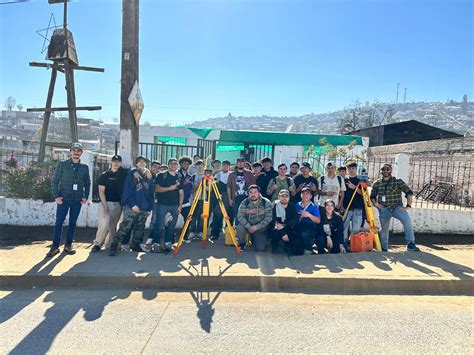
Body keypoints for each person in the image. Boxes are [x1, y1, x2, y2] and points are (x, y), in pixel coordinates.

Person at [46, 142, 91, 257]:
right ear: (70, 151)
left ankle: (68, 245)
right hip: (63, 199)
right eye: (74, 150)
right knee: (59, 222)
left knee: (72, 223)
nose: (76, 153)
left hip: (77, 200)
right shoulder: (62, 164)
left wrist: (85, 197)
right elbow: (55, 181)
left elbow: (87, 183)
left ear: (81, 153)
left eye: (78, 151)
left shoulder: (84, 167)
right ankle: (55, 246)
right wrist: (56, 196)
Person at [109, 155, 154, 256]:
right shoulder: (132, 174)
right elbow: (127, 192)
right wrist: (133, 205)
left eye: (144, 162)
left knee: (140, 229)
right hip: (132, 207)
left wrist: (149, 208)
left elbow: (151, 193)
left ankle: (135, 246)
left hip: (144, 208)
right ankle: (114, 245)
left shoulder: (149, 176)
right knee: (125, 227)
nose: (142, 163)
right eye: (140, 162)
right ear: (136, 163)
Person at [370, 163, 420, 252]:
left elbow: (408, 192)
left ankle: (411, 244)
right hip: (384, 209)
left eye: (387, 169)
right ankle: (384, 248)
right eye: (383, 169)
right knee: (384, 229)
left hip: (397, 207)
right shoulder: (376, 183)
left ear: (391, 170)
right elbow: (372, 196)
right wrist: (375, 204)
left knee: (406, 219)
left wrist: (408, 206)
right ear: (381, 171)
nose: (385, 171)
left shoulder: (398, 181)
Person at [91, 155, 128, 252]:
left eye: (118, 161)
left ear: (120, 162)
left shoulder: (124, 173)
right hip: (105, 202)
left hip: (118, 204)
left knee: (112, 225)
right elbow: (101, 191)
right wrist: (105, 205)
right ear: (111, 162)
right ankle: (97, 244)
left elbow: (134, 171)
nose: (116, 163)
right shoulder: (104, 175)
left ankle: (109, 245)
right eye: (114, 161)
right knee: (105, 222)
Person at [147, 158, 184, 252]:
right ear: (168, 165)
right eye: (171, 163)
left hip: (175, 205)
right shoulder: (161, 175)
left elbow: (181, 193)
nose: (173, 165)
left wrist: (180, 206)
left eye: (175, 163)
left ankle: (168, 243)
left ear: (177, 165)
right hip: (162, 204)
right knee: (159, 225)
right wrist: (170, 188)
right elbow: (157, 189)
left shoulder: (179, 176)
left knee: (172, 225)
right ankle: (156, 244)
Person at [236, 185, 273, 251]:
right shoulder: (244, 202)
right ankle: (241, 244)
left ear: (259, 193)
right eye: (251, 192)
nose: (253, 194)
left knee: (260, 248)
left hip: (260, 227)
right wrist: (248, 226)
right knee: (240, 227)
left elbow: (269, 217)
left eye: (255, 192)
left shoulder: (266, 202)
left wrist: (257, 227)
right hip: (248, 225)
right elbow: (239, 216)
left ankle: (255, 238)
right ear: (248, 193)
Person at [340, 162, 364, 249]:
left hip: (358, 207)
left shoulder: (360, 181)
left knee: (356, 229)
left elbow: (364, 194)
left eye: (353, 168)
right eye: (349, 168)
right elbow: (341, 194)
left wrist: (354, 188)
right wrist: (341, 205)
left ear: (356, 169)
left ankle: (354, 245)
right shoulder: (344, 180)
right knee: (344, 228)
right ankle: (344, 246)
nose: (351, 170)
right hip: (347, 207)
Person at [227, 157, 256, 225]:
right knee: (237, 216)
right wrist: (229, 199)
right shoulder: (231, 174)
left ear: (244, 163)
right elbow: (229, 187)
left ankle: (247, 233)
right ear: (236, 164)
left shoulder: (249, 173)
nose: (240, 164)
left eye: (242, 162)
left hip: (247, 199)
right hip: (235, 199)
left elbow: (254, 186)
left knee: (247, 216)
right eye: (239, 162)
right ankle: (238, 233)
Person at [270, 189, 299, 254]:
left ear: (289, 198)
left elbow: (296, 219)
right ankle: (275, 246)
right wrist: (283, 233)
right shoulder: (275, 206)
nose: (284, 198)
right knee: (275, 232)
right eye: (282, 196)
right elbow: (274, 221)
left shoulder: (292, 206)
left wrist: (284, 225)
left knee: (296, 245)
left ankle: (286, 245)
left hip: (288, 226)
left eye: (286, 196)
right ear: (279, 197)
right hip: (277, 227)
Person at [295, 187, 321, 255]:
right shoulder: (297, 205)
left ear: (311, 196)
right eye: (303, 193)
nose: (305, 195)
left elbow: (318, 221)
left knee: (305, 235)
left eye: (307, 194)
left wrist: (309, 215)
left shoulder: (314, 206)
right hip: (299, 225)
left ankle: (308, 249)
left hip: (310, 226)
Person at [210, 160, 231, 240]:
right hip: (219, 196)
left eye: (227, 165)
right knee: (217, 214)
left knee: (229, 215)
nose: (225, 166)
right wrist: (218, 194)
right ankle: (215, 233)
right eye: (224, 165)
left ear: (229, 166)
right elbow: (214, 185)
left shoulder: (231, 175)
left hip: (229, 196)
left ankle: (229, 234)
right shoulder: (217, 175)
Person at [177, 156, 194, 243]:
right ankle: (170, 239)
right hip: (176, 202)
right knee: (171, 221)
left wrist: (199, 185)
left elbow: (191, 190)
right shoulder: (176, 174)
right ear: (180, 164)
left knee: (188, 219)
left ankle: (184, 237)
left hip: (186, 202)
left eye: (187, 164)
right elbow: (175, 187)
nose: (186, 165)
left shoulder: (189, 176)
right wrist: (184, 183)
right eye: (184, 163)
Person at [188, 160, 205, 240]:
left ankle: (200, 232)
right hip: (195, 199)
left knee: (202, 216)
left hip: (204, 199)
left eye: (201, 165)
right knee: (193, 216)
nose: (200, 166)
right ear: (196, 167)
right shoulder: (193, 176)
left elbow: (210, 190)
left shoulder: (206, 176)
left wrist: (204, 184)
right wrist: (198, 185)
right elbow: (190, 190)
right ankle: (192, 232)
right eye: (198, 165)